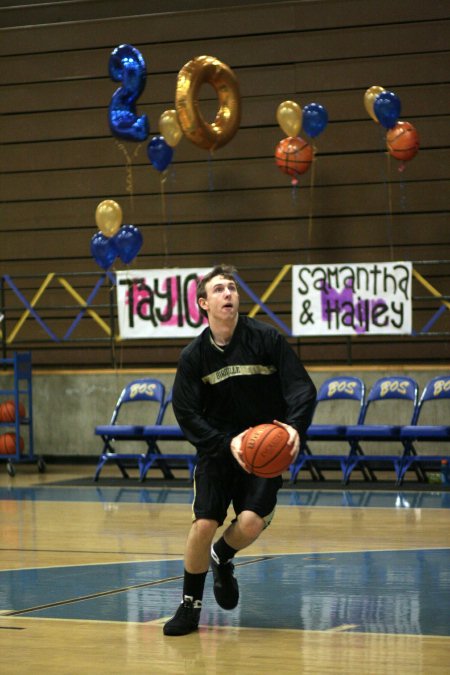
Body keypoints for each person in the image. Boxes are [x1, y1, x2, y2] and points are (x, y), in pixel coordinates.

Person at [163, 264, 316, 636]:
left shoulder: (266, 340)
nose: (228, 293)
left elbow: (302, 389)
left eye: (232, 287)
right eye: (219, 289)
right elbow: (185, 413)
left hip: (264, 451)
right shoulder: (193, 357)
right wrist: (224, 442)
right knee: (203, 524)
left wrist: (294, 426)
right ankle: (189, 607)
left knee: (248, 523)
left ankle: (223, 557)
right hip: (218, 451)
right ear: (204, 303)